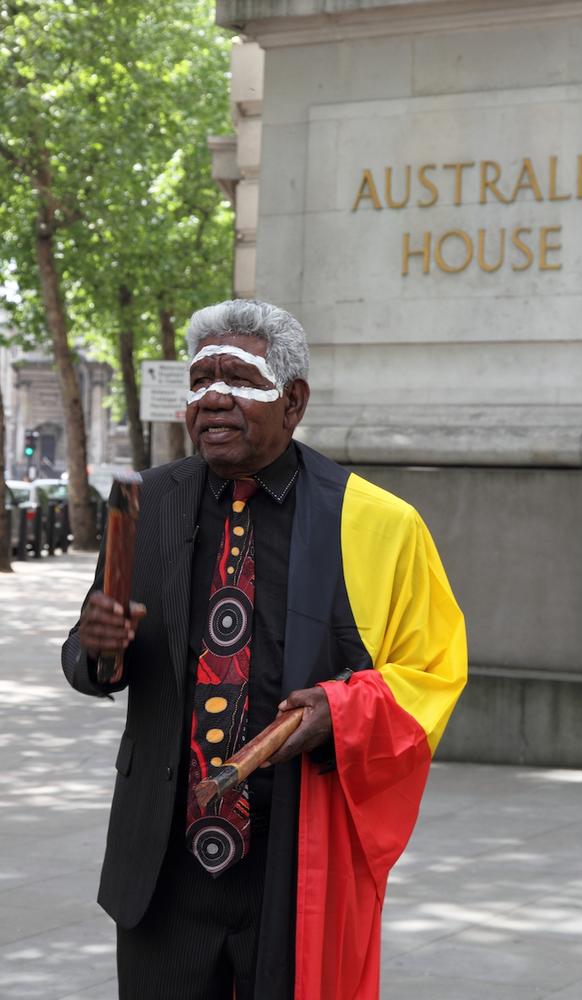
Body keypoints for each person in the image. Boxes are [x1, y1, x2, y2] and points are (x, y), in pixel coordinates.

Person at [62, 299, 467, 1000]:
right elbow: (95, 651)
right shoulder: (145, 503)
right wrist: (99, 651)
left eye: (239, 378)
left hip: (294, 861)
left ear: (294, 401)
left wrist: (340, 714)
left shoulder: (377, 523)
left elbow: (432, 671)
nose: (213, 397)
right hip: (162, 867)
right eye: (199, 380)